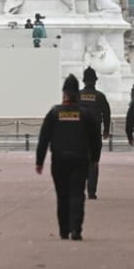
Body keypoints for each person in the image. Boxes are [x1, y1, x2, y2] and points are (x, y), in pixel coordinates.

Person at [35, 74, 102, 241]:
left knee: (62, 194)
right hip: (80, 158)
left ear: (64, 93)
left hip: (59, 159)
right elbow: (95, 139)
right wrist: (95, 157)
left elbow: (44, 138)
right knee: (78, 193)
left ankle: (64, 230)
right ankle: (76, 229)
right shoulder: (85, 114)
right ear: (77, 95)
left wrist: (39, 161)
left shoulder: (54, 113)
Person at [78, 67, 111, 199]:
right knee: (94, 162)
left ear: (84, 81)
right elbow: (107, 114)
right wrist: (106, 129)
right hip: (94, 135)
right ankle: (91, 191)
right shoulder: (100, 96)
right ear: (95, 81)